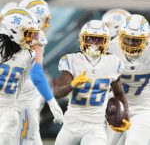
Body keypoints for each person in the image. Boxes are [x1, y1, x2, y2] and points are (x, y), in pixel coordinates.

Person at [52, 20, 130, 145]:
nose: (93, 43)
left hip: (96, 125)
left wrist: (125, 116)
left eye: (98, 39)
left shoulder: (113, 63)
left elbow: (119, 94)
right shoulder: (72, 60)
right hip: (72, 123)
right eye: (89, 38)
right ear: (82, 39)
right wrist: (72, 84)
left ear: (106, 42)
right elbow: (56, 93)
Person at [11, 0, 63, 145]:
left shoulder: (8, 31)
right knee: (24, 139)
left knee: (31, 138)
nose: (45, 24)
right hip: (21, 96)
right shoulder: (35, 37)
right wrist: (52, 102)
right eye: (43, 20)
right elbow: (36, 73)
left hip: (13, 92)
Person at [0, 7, 40, 145]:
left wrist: (14, 103)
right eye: (27, 33)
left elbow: (21, 82)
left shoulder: (29, 55)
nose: (31, 38)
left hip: (8, 104)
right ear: (13, 30)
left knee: (7, 133)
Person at [108, 14, 150, 145]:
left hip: (144, 107)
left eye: (136, 40)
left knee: (134, 141)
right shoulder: (110, 48)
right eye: (127, 39)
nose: (131, 44)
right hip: (116, 104)